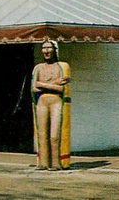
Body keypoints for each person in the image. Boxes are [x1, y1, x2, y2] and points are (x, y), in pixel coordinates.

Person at [31, 39, 71, 170]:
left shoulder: (62, 67)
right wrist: (53, 84)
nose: (46, 51)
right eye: (43, 48)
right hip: (42, 103)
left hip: (56, 102)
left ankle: (56, 163)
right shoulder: (38, 68)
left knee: (54, 135)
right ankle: (43, 163)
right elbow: (34, 87)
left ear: (55, 50)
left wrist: (42, 85)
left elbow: (62, 89)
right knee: (42, 134)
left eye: (49, 48)